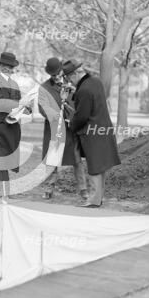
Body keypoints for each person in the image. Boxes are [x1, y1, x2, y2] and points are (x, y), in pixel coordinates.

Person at [63, 60, 120, 207]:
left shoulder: (84, 90)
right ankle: (99, 198)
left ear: (76, 74)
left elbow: (82, 116)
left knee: (94, 166)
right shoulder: (95, 81)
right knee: (100, 166)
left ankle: (94, 200)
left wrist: (71, 125)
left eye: (69, 78)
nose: (69, 81)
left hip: (92, 133)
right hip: (103, 129)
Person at [38, 57, 88, 200]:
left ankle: (83, 189)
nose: (57, 76)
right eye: (53, 75)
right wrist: (58, 116)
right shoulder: (44, 88)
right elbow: (42, 108)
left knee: (76, 160)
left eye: (58, 73)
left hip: (71, 128)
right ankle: (49, 189)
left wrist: (75, 92)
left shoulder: (72, 83)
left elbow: (81, 101)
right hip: (55, 129)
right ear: (50, 74)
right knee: (53, 161)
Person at [0, 52, 22, 201]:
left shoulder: (15, 84)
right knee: (0, 159)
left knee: (6, 159)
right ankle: (4, 193)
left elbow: (18, 104)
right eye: (5, 65)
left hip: (12, 127)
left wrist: (26, 108)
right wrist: (20, 104)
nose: (8, 68)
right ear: (0, 65)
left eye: (10, 66)